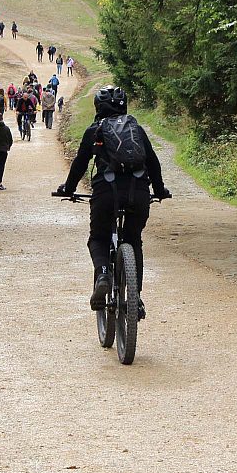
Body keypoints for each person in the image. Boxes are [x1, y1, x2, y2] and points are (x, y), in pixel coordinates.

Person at [57, 87, 171, 318]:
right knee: (133, 240)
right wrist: (159, 190)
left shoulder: (94, 131)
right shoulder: (136, 129)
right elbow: (153, 162)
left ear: (98, 107)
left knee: (98, 238)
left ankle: (103, 274)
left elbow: (80, 163)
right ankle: (135, 298)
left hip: (106, 193)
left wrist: (67, 189)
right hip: (138, 192)